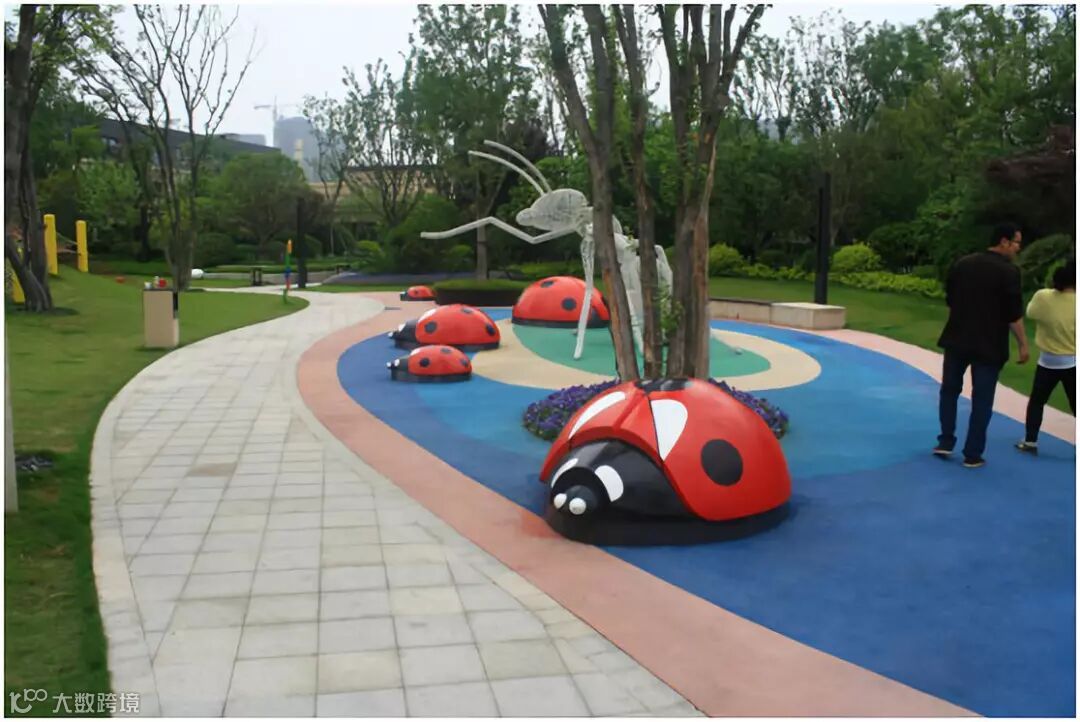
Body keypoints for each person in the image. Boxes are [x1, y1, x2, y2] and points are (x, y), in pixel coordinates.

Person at [934, 223, 1029, 468]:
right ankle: (972, 453)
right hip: (989, 344)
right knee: (982, 400)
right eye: (1017, 242)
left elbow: (951, 300)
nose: (1018, 248)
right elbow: (1013, 314)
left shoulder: (962, 264)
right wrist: (1023, 344)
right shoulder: (1009, 272)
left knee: (949, 391)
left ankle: (945, 440)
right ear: (1004, 241)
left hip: (957, 339)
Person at [1016, 259, 1075, 454]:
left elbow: (1030, 313)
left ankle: (1030, 441)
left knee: (1037, 402)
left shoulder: (1043, 297)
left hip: (1047, 361)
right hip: (1072, 361)